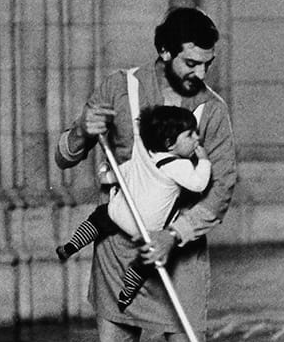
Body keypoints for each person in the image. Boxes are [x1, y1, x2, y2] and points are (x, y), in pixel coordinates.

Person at [54, 6, 246, 342]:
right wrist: (81, 130)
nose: (200, 74)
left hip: (179, 262)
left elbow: (222, 186)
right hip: (120, 253)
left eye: (207, 64)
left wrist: (175, 233)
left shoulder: (213, 112)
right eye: (190, 62)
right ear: (164, 52)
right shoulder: (121, 88)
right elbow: (66, 153)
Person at [56, 104, 211, 311]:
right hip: (146, 229)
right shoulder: (179, 165)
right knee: (145, 261)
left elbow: (117, 175)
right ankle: (126, 294)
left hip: (119, 214)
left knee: (99, 218)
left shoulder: (144, 160)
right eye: (190, 135)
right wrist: (203, 161)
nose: (196, 139)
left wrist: (105, 173)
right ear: (169, 143)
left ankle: (71, 246)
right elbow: (199, 183)